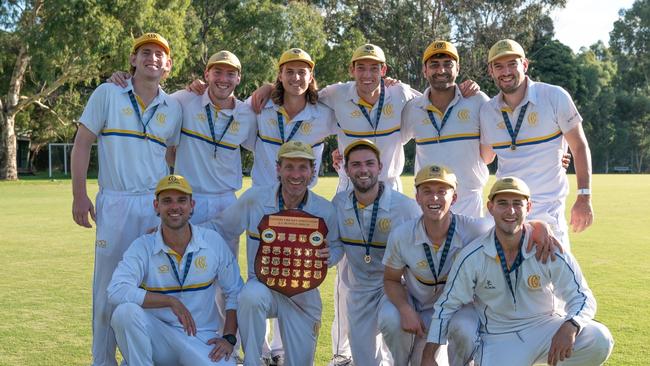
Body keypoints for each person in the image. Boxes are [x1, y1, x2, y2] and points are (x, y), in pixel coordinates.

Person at [71, 32, 182, 366]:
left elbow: (173, 156)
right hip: (116, 203)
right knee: (108, 288)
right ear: (133, 60)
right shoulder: (108, 92)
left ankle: (143, 357)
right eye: (145, 52)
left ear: (169, 65)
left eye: (160, 54)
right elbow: (82, 143)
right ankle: (102, 360)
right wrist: (79, 195)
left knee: (153, 285)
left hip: (153, 207)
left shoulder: (173, 106)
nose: (152, 58)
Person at [422, 177, 614, 366]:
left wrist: (571, 325)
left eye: (517, 203)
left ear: (528, 207)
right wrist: (429, 355)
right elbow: (447, 306)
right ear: (491, 208)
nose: (510, 210)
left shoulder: (547, 247)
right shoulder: (472, 257)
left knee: (598, 339)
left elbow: (582, 296)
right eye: (503, 203)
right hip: (499, 336)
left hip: (546, 327)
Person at [380, 165, 559, 366]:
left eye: (442, 192)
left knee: (464, 330)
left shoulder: (475, 228)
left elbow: (510, 223)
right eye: (427, 192)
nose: (435, 198)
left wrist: (539, 226)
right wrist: (405, 310)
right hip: (417, 304)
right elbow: (391, 279)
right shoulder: (401, 235)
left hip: (459, 306)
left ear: (454, 198)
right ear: (417, 197)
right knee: (390, 317)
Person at [207, 141, 343, 366]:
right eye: (289, 166)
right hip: (262, 286)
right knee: (250, 296)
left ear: (313, 172)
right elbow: (221, 227)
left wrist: (329, 256)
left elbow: (338, 247)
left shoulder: (324, 209)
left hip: (303, 292)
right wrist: (179, 230)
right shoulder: (255, 199)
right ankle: (253, 361)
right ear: (278, 169)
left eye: (303, 167)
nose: (296, 174)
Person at [107, 174, 244, 365]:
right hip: (158, 337)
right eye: (167, 201)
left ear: (191, 205)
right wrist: (170, 301)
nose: (175, 207)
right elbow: (116, 290)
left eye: (181, 200)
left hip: (201, 337)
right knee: (125, 313)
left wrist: (229, 338)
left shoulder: (212, 241)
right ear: (156, 206)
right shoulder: (143, 246)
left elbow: (235, 291)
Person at [480, 39, 594, 247]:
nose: (506, 71)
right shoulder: (487, 110)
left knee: (553, 277)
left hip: (548, 213)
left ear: (524, 65)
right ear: (491, 71)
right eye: (499, 66)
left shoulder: (554, 96)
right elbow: (486, 156)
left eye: (512, 64)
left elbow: (579, 147)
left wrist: (584, 197)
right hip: (507, 212)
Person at [331, 139, 421, 365]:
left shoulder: (405, 207)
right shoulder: (339, 203)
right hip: (358, 292)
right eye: (356, 164)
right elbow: (336, 248)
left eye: (369, 163)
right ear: (346, 169)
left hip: (392, 289)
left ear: (380, 167)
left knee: (393, 322)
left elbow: (419, 254)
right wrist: (320, 259)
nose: (363, 170)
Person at [401, 40, 490, 217]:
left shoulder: (477, 101)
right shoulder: (413, 108)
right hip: (428, 204)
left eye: (447, 64)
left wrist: (560, 153)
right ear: (425, 70)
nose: (441, 70)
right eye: (434, 65)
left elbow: (498, 143)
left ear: (458, 68)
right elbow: (390, 143)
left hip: (468, 204)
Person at [251, 48, 336, 188]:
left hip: (302, 201)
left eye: (302, 72)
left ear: (310, 77)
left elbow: (353, 126)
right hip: (262, 199)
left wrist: (342, 153)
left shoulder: (324, 113)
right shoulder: (261, 105)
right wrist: (203, 88)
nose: (296, 77)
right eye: (289, 71)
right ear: (280, 75)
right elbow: (229, 107)